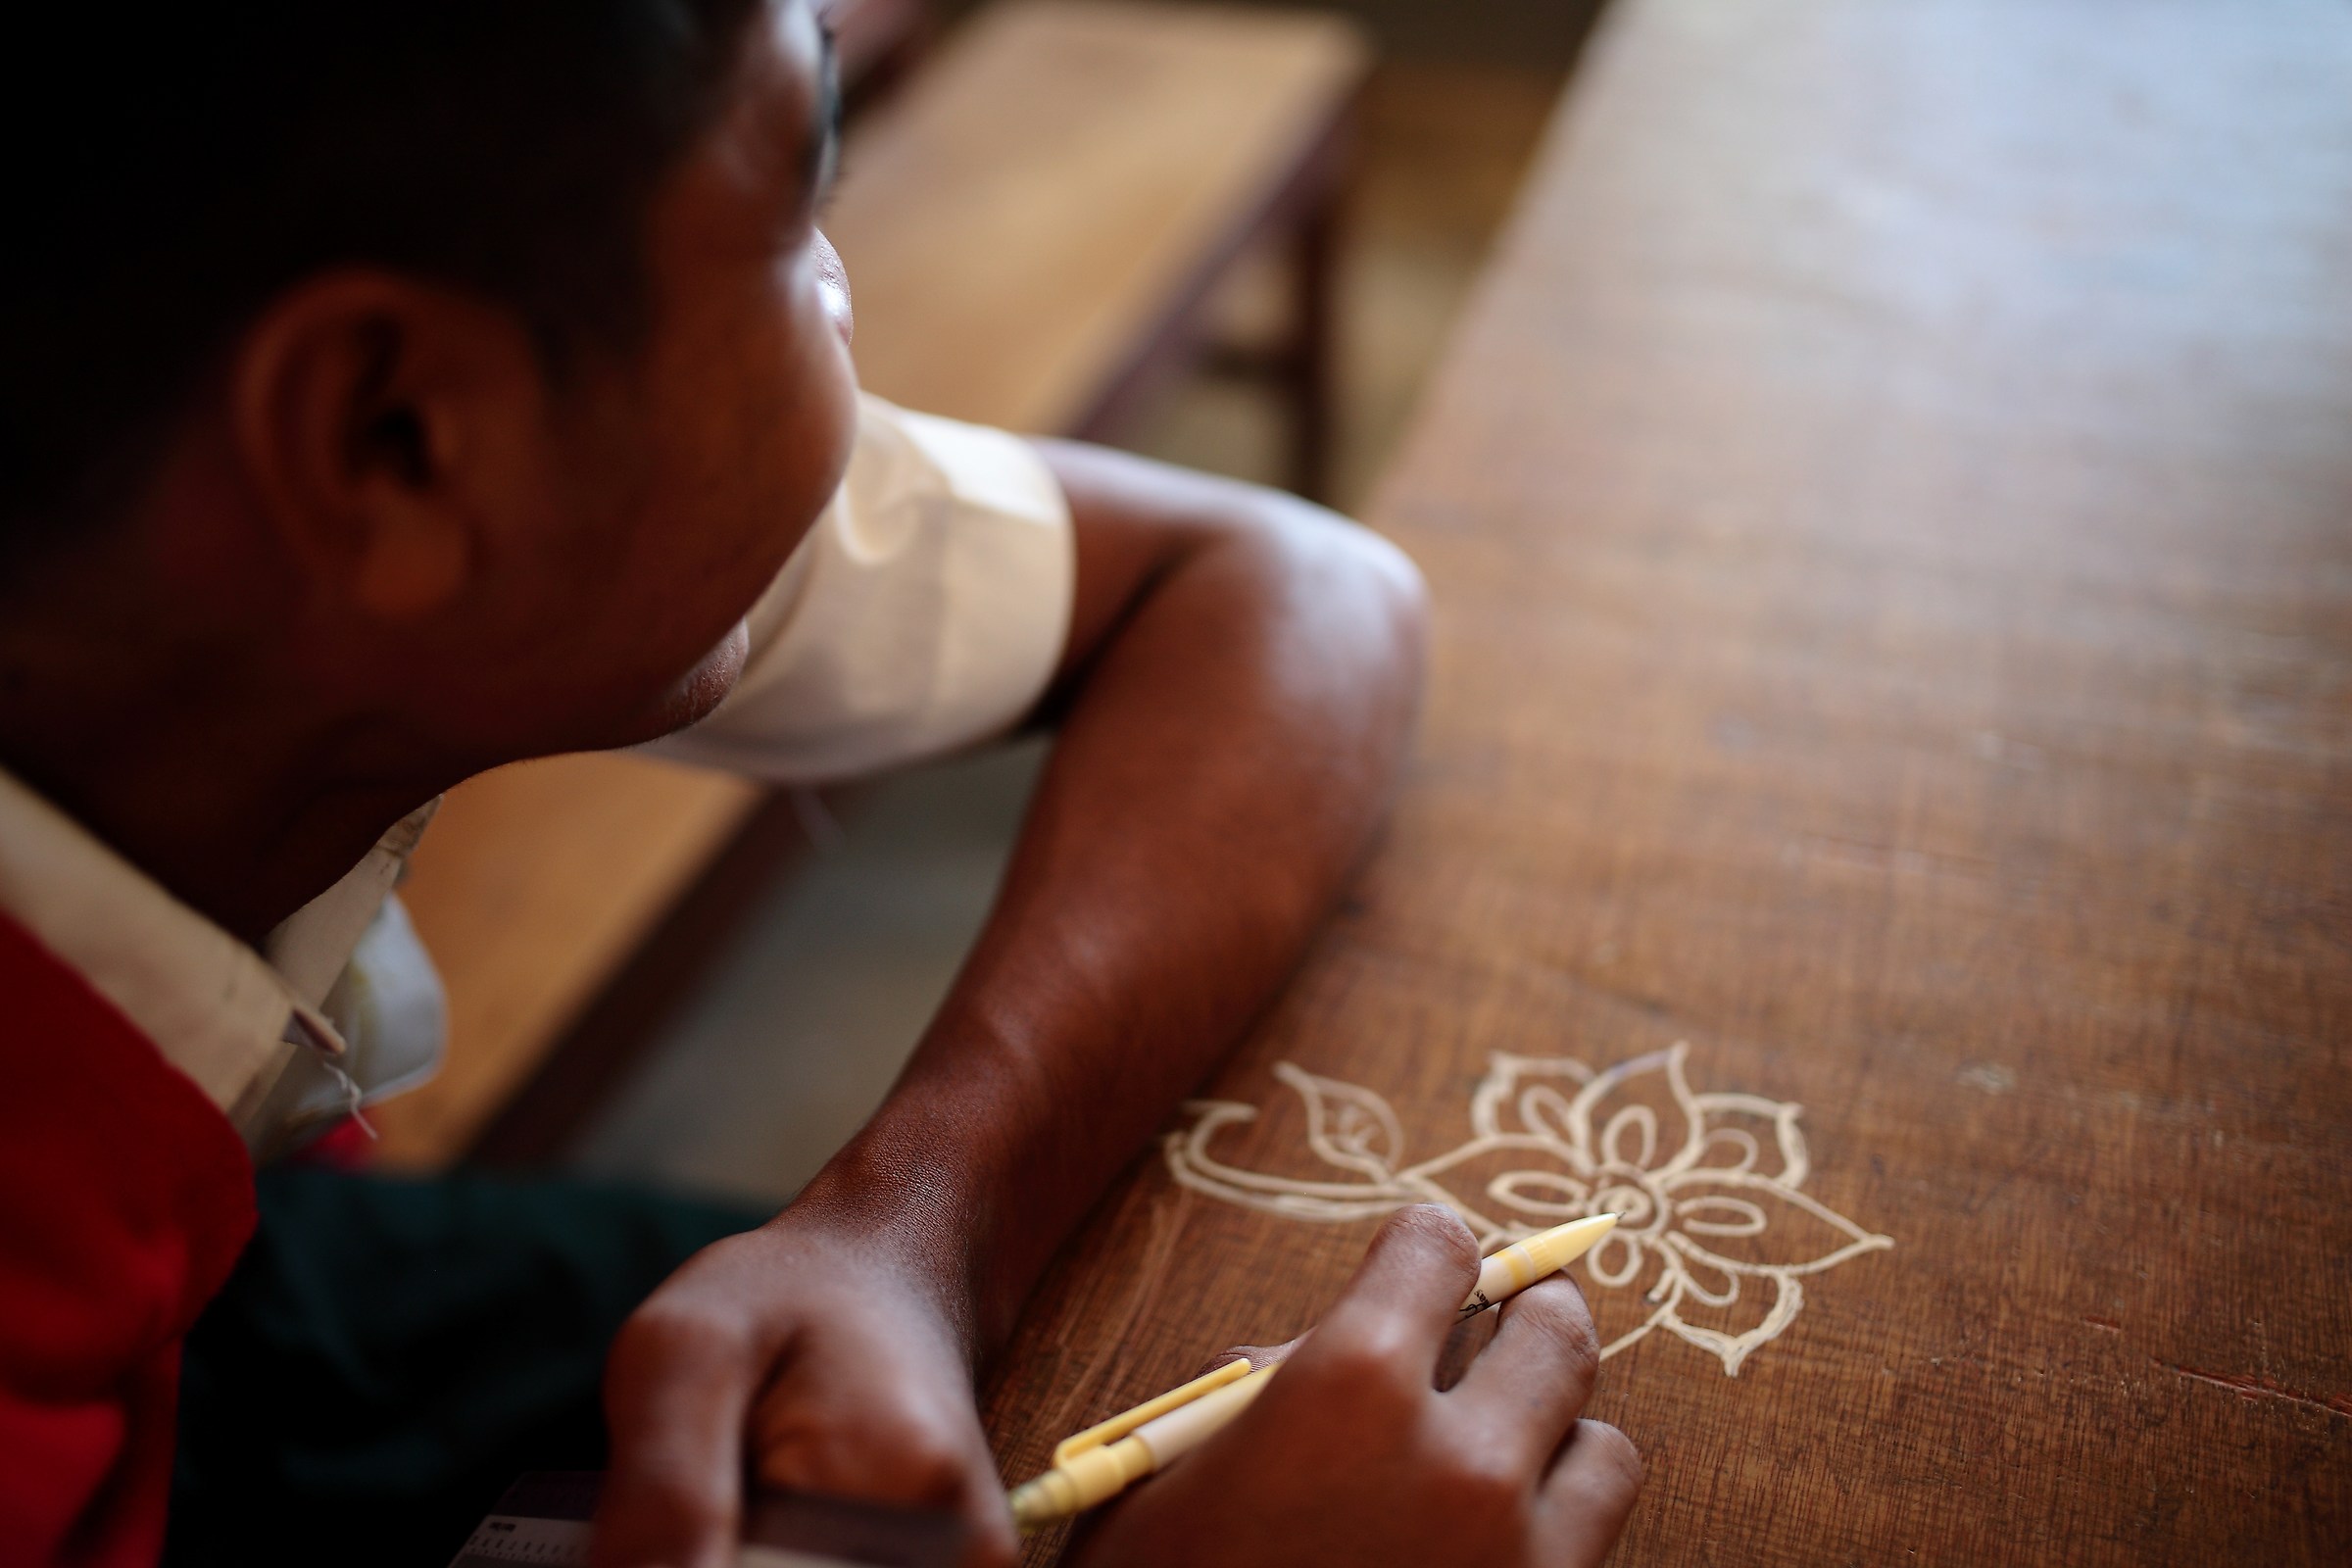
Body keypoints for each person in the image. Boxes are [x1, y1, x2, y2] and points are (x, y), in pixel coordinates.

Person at [0, 3, 1642, 1565]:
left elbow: (1293, 594)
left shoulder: (246, 533)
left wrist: (916, 1229)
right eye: (802, 199)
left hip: (241, 1284)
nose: (849, 288)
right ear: (397, 439)